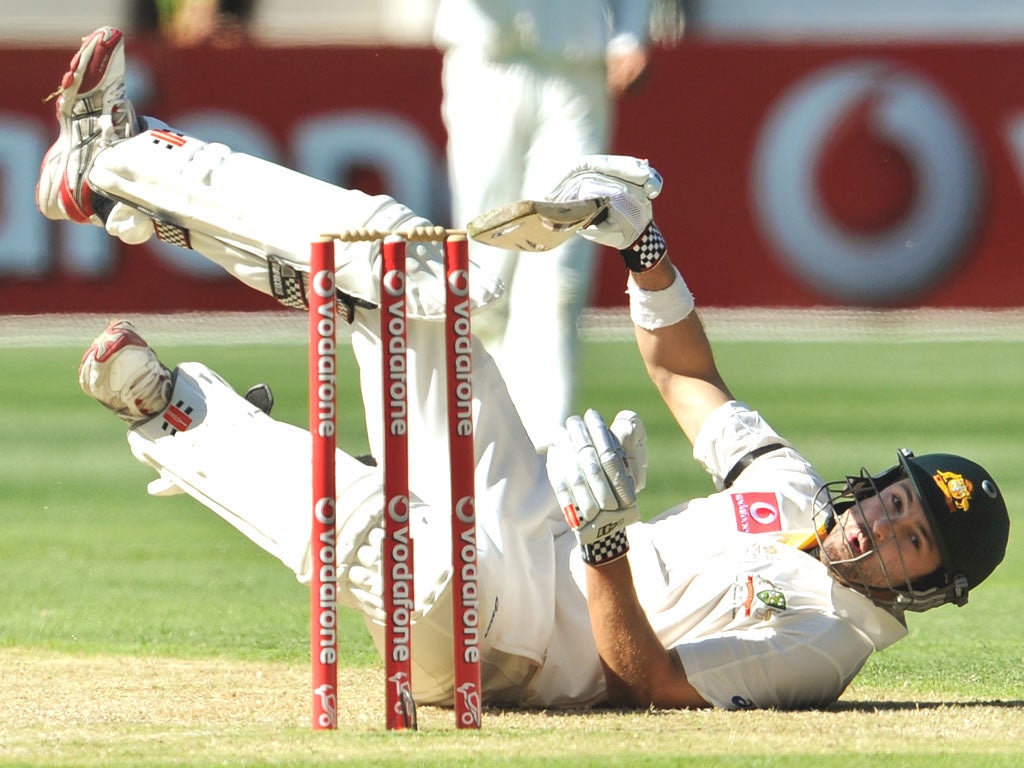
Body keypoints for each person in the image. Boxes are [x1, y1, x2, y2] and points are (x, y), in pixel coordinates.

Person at [39, 27, 1010, 710]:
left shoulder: (822, 646)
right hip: (530, 539)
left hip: (526, 654)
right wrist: (644, 248)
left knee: (416, 574)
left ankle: (187, 420)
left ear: (922, 586)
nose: (885, 524)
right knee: (411, 268)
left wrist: (605, 542)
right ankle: (118, 163)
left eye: (913, 539)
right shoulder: (790, 488)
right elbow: (685, 376)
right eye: (898, 500)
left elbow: (647, 690)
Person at [435, 0, 654, 450]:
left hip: (576, 68)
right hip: (488, 61)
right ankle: (476, 438)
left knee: (558, 274)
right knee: (484, 271)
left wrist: (631, 31)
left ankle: (544, 454)